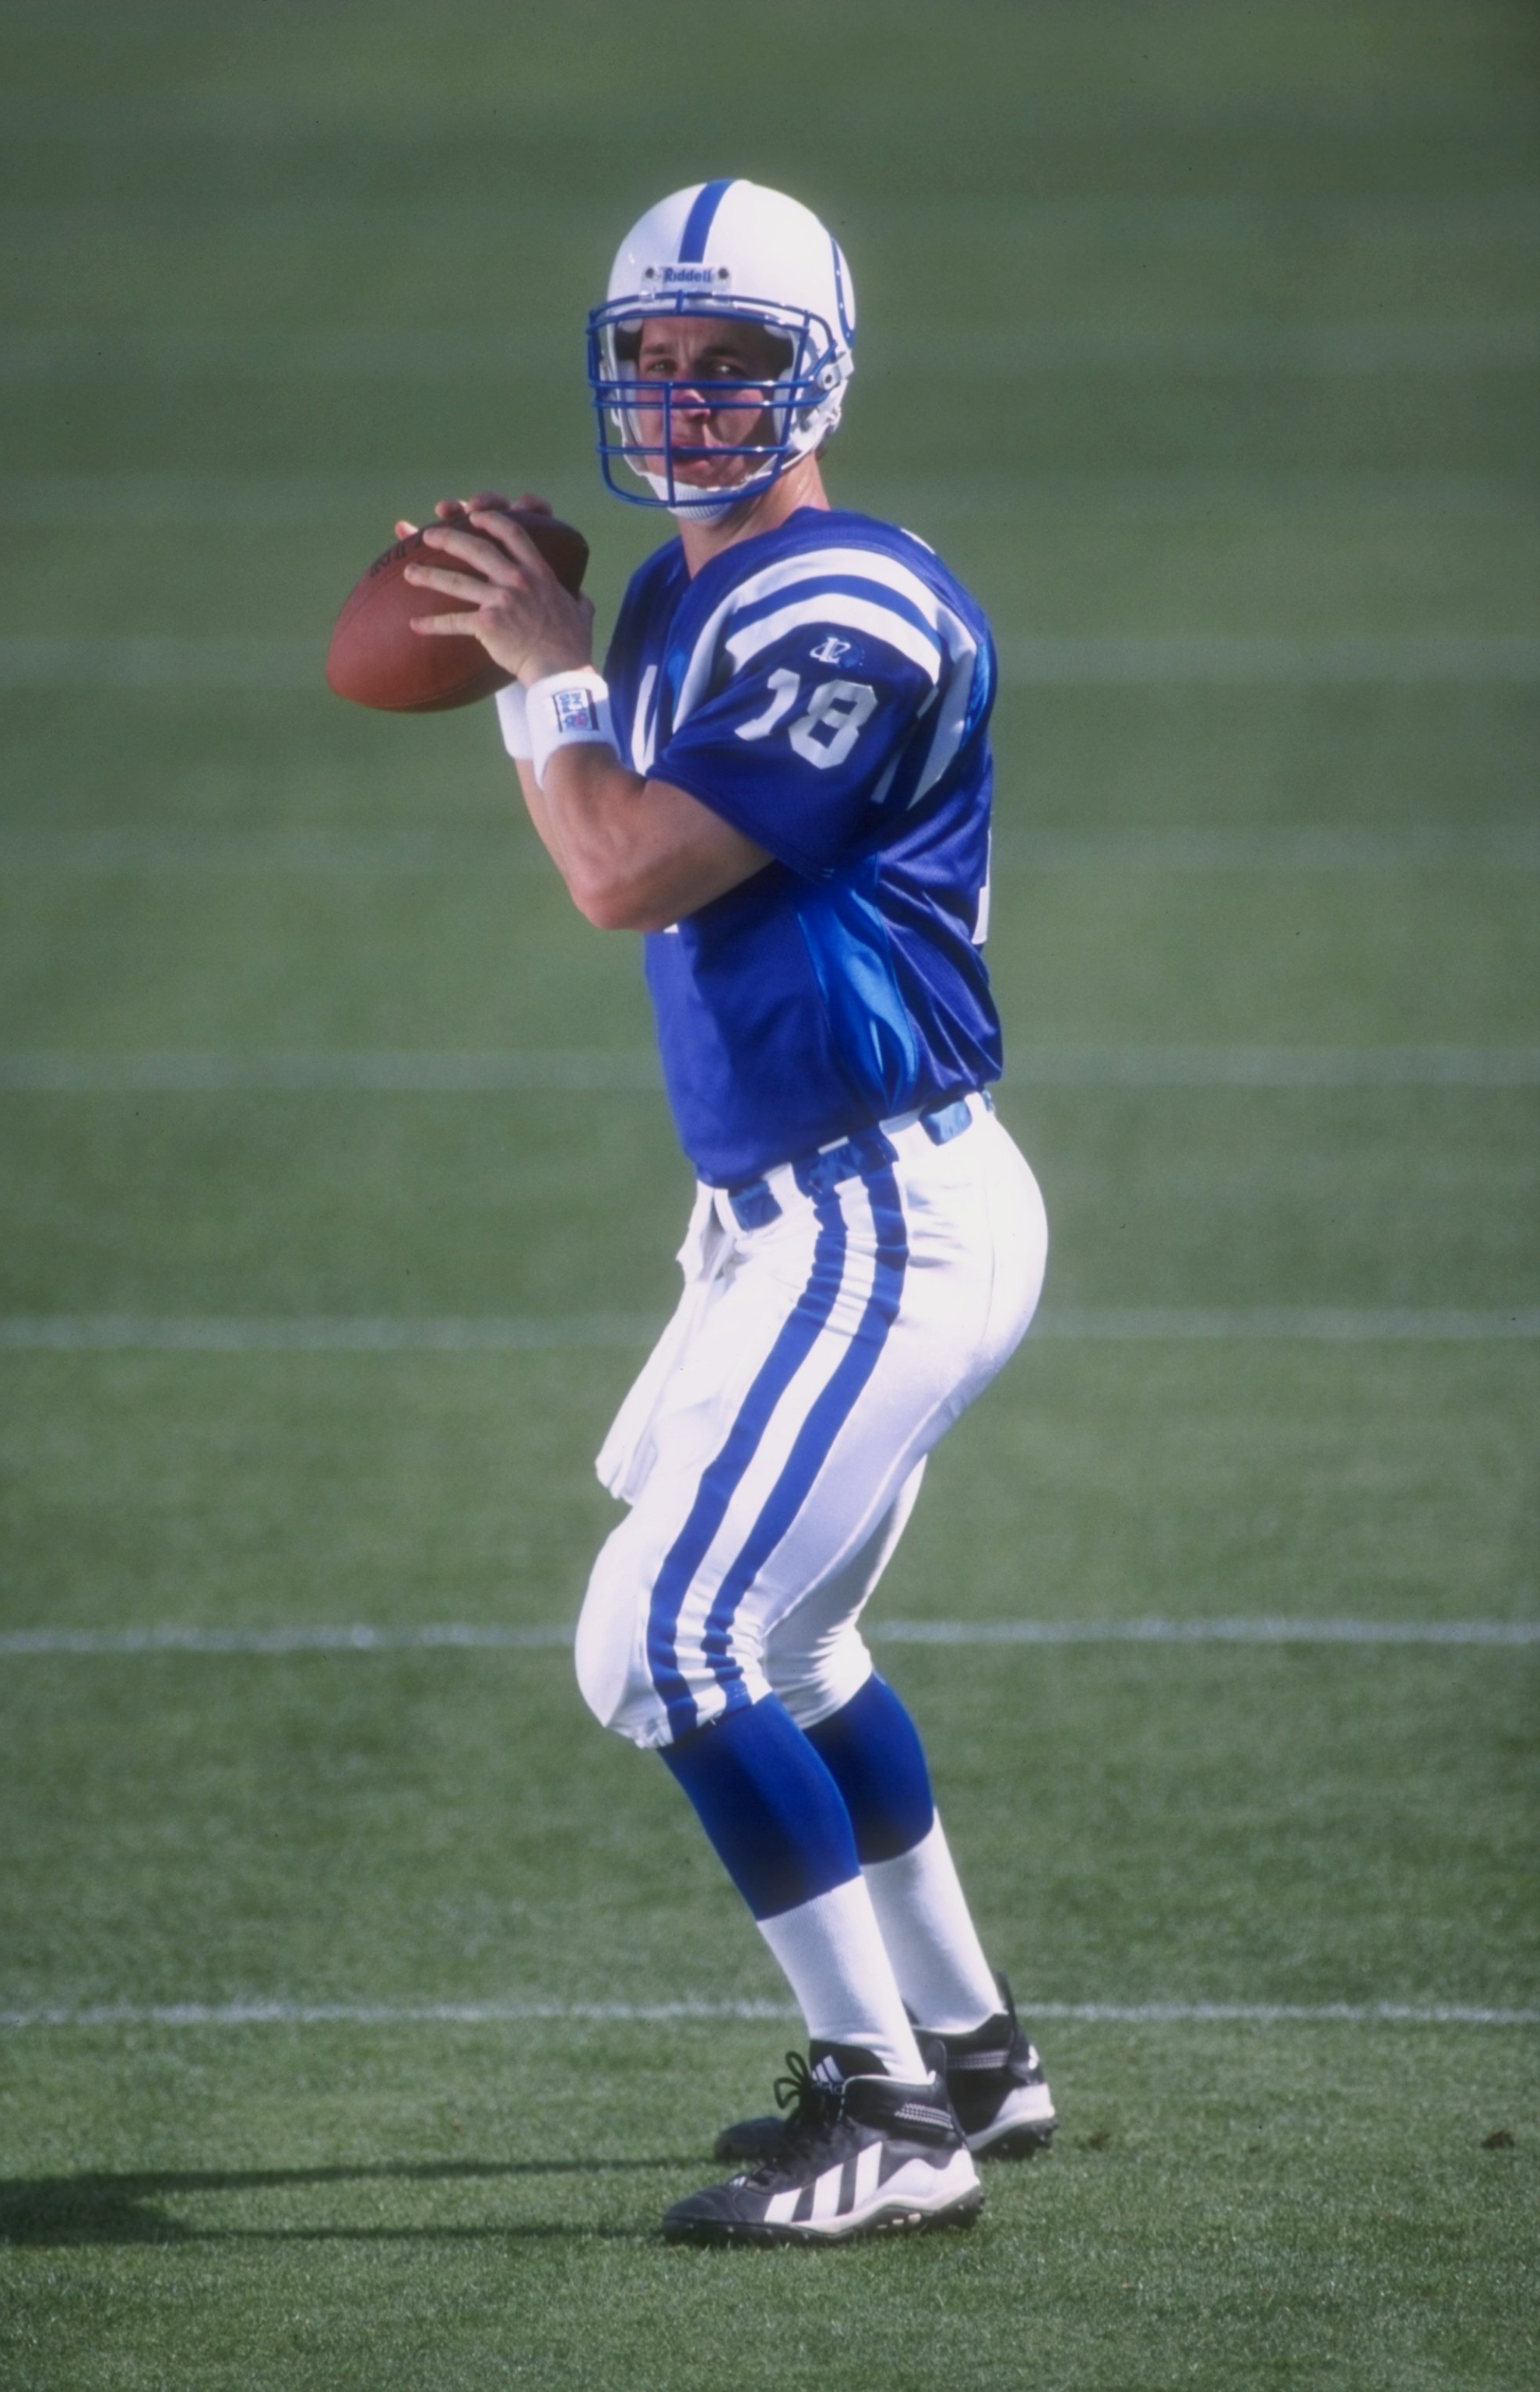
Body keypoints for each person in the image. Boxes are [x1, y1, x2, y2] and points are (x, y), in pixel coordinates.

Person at [401, 178, 1055, 2247]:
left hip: (886, 1209)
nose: (684, 404)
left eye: (734, 363)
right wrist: (574, 664)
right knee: (791, 1631)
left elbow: (618, 873)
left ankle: (896, 2130)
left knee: (661, 1641)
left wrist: (537, 671)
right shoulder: (701, 595)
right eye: (656, 363)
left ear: (822, 370)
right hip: (791, 1210)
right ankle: (967, 2054)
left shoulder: (840, 611)